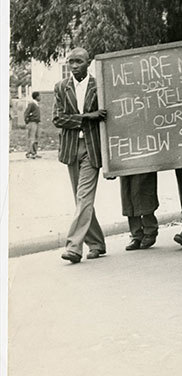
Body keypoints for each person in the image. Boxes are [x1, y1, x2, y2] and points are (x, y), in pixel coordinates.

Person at [53, 47, 107, 263]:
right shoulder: (60, 87)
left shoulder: (99, 85)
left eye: (79, 62)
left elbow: (107, 116)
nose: (74, 66)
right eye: (71, 62)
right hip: (71, 149)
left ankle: (74, 247)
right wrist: (87, 117)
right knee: (82, 199)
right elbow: (58, 119)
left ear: (88, 63)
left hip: (92, 149)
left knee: (83, 197)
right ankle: (97, 243)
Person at [122, 172, 159, 250]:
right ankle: (136, 235)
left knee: (144, 190)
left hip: (143, 163)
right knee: (128, 194)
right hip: (124, 164)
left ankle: (150, 231)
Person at [24, 91, 41, 159]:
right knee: (31, 138)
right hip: (32, 122)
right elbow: (26, 113)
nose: (40, 97)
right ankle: (29, 153)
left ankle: (34, 152)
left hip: (36, 122)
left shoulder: (36, 104)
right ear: (36, 97)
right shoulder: (32, 104)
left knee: (36, 138)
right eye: (39, 96)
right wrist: (27, 121)